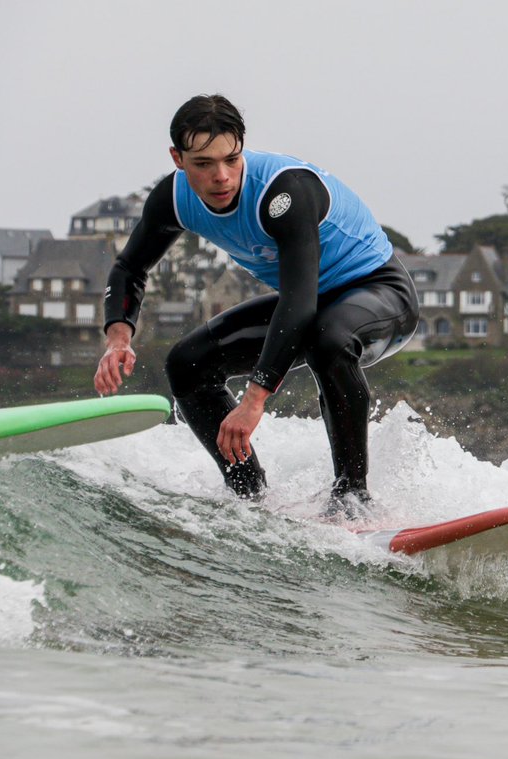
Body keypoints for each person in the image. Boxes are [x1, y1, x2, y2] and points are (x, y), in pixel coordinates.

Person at [94, 94, 418, 514]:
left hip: (381, 293)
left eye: (231, 158)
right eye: (204, 164)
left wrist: (253, 401)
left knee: (329, 340)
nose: (222, 176)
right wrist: (118, 337)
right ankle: (250, 497)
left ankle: (352, 498)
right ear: (177, 158)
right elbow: (128, 267)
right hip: (314, 305)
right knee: (187, 365)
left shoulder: (283, 191)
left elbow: (299, 303)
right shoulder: (173, 199)